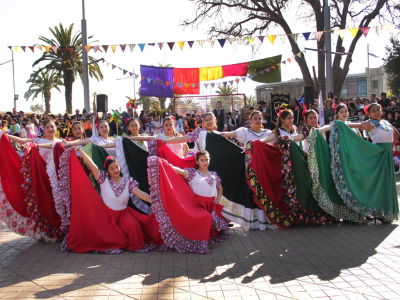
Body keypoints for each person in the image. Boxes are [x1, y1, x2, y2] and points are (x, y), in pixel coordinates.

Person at [61, 148, 165, 253]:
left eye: (117, 167)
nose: (115, 170)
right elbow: (92, 165)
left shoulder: (127, 182)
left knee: (134, 226)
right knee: (115, 240)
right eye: (111, 169)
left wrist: (156, 200)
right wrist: (80, 150)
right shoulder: (103, 179)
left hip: (123, 213)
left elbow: (141, 194)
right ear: (107, 171)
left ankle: (136, 246)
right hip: (106, 214)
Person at [330, 103, 399, 223]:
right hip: (377, 156)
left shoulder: (386, 123)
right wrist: (338, 123)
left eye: (378, 110)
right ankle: (375, 211)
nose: (377, 112)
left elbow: (397, 134)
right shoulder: (370, 123)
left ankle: (386, 212)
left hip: (386, 155)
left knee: (387, 183)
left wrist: (389, 149)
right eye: (374, 111)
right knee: (377, 184)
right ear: (369, 113)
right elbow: (354, 124)